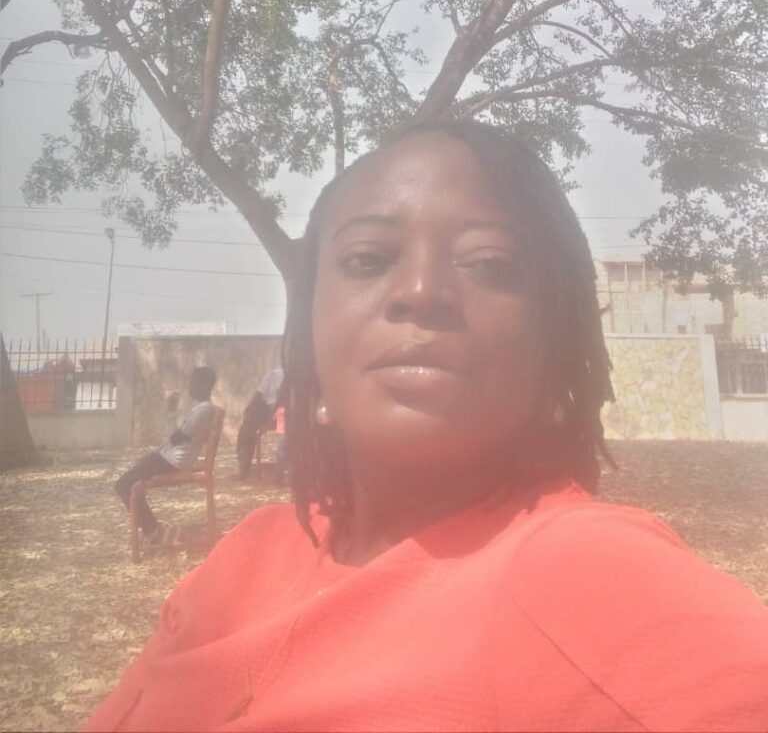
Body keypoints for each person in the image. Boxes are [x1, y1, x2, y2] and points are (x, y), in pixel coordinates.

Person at [87, 121, 768, 732]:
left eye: (490, 264)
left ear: (555, 343)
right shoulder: (245, 556)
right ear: (310, 334)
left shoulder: (585, 573)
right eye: (367, 259)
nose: (420, 291)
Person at [114, 366, 218, 547]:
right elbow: (174, 439)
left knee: (123, 485)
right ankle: (152, 527)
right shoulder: (199, 408)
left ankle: (152, 530)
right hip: (169, 457)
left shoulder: (204, 410)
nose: (190, 387)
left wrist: (170, 410)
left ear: (207, 385)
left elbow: (175, 438)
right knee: (131, 478)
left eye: (194, 383)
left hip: (174, 461)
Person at [235, 367, 284, 480]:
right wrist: (250, 408)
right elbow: (259, 393)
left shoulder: (299, 375)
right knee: (250, 419)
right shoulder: (273, 374)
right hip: (268, 409)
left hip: (287, 410)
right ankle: (243, 462)